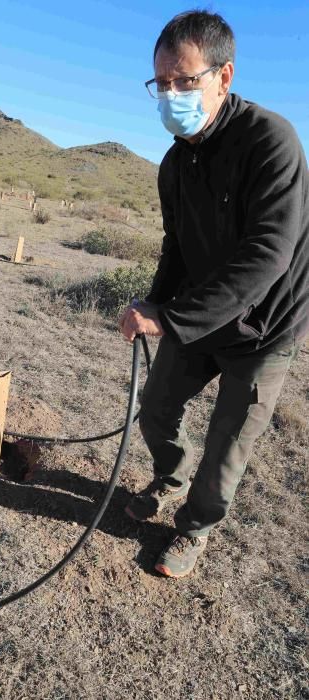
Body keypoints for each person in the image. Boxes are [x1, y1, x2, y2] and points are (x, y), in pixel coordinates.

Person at [119, 10, 308, 578]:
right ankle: (172, 477)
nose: (170, 95)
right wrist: (155, 304)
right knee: (155, 411)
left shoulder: (270, 142)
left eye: (185, 81)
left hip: (266, 328)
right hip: (199, 314)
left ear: (223, 78)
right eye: (161, 84)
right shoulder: (175, 162)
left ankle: (196, 527)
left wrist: (173, 320)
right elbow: (176, 245)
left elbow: (267, 256)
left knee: (229, 444)